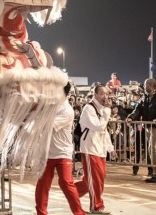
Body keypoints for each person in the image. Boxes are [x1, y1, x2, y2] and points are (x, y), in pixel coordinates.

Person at [35, 82, 85, 215]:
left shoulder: (67, 110)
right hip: (46, 152)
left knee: (65, 182)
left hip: (62, 152)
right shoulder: (49, 104)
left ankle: (79, 212)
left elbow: (46, 125)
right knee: (42, 184)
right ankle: (41, 212)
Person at [75, 84, 113, 214]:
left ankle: (71, 193)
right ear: (95, 94)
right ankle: (96, 207)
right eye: (102, 94)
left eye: (107, 94)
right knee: (95, 180)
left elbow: (105, 131)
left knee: (95, 179)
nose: (105, 97)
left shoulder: (101, 109)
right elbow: (99, 127)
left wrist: (110, 148)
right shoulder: (88, 108)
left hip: (100, 149)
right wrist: (107, 111)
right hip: (90, 148)